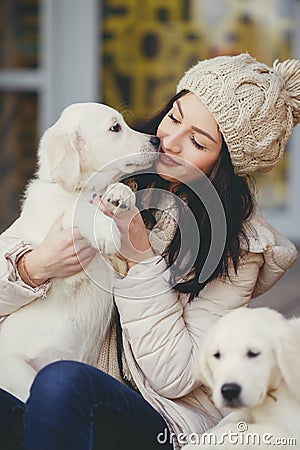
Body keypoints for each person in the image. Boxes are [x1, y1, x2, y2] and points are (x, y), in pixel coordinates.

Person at [0, 53, 299, 450]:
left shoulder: (240, 251)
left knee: (60, 383)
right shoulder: (111, 163)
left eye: (197, 140)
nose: (168, 141)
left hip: (152, 421)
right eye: (174, 117)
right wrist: (34, 266)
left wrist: (140, 261)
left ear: (224, 164)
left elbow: (177, 375)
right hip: (56, 398)